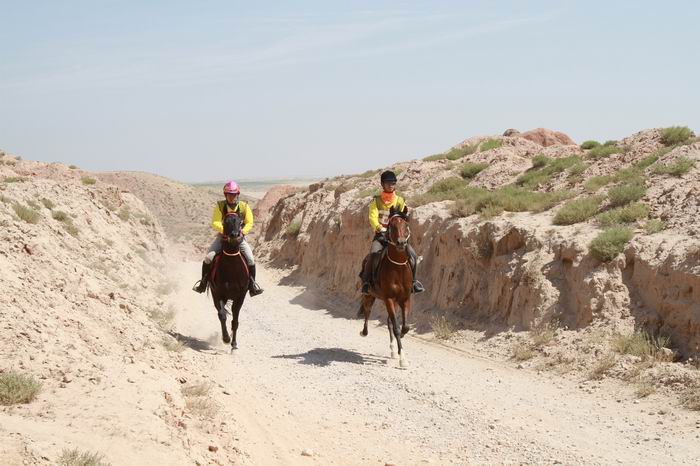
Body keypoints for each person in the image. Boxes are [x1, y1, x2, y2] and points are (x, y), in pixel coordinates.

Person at [192, 181, 264, 297]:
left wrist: (242, 232)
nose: (232, 197)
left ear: (237, 194)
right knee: (208, 257)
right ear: (225, 195)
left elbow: (249, 222)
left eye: (234, 194)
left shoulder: (244, 206)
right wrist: (225, 231)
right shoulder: (220, 206)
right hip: (223, 236)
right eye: (229, 194)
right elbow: (215, 222)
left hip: (239, 237)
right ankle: (203, 283)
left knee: (250, 259)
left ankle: (252, 286)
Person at [360, 170, 424, 295]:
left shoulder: (399, 200)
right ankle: (367, 283)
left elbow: (403, 216)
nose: (391, 185)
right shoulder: (376, 201)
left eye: (393, 183)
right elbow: (372, 217)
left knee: (414, 256)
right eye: (388, 183)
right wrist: (379, 228)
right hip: (381, 235)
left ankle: (414, 282)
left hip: (396, 236)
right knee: (373, 254)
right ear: (382, 184)